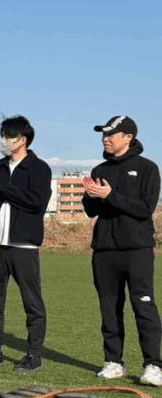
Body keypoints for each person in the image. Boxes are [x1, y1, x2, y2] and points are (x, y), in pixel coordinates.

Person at [82, 115, 162, 386]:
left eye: (111, 134)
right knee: (109, 309)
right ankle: (114, 363)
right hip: (104, 251)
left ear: (128, 137)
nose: (105, 139)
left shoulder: (147, 168)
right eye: (103, 134)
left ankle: (153, 366)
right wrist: (90, 196)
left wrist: (110, 196)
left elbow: (145, 208)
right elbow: (91, 211)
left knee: (144, 307)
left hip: (138, 250)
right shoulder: (99, 169)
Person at [0, 115, 51, 372]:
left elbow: (37, 202)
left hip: (24, 246)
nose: (4, 141)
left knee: (32, 303)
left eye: (9, 136)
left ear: (23, 140)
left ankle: (33, 355)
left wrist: (4, 190)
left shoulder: (39, 168)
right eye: (3, 136)